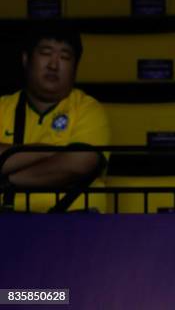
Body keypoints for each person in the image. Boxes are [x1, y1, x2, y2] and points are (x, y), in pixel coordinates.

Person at [0, 30, 110, 209]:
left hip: (76, 226)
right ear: (26, 59)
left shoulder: (88, 109)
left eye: (65, 57)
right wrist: (47, 151)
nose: (53, 65)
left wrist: (7, 180)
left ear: (75, 67)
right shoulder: (2, 107)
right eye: (45, 53)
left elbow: (78, 164)